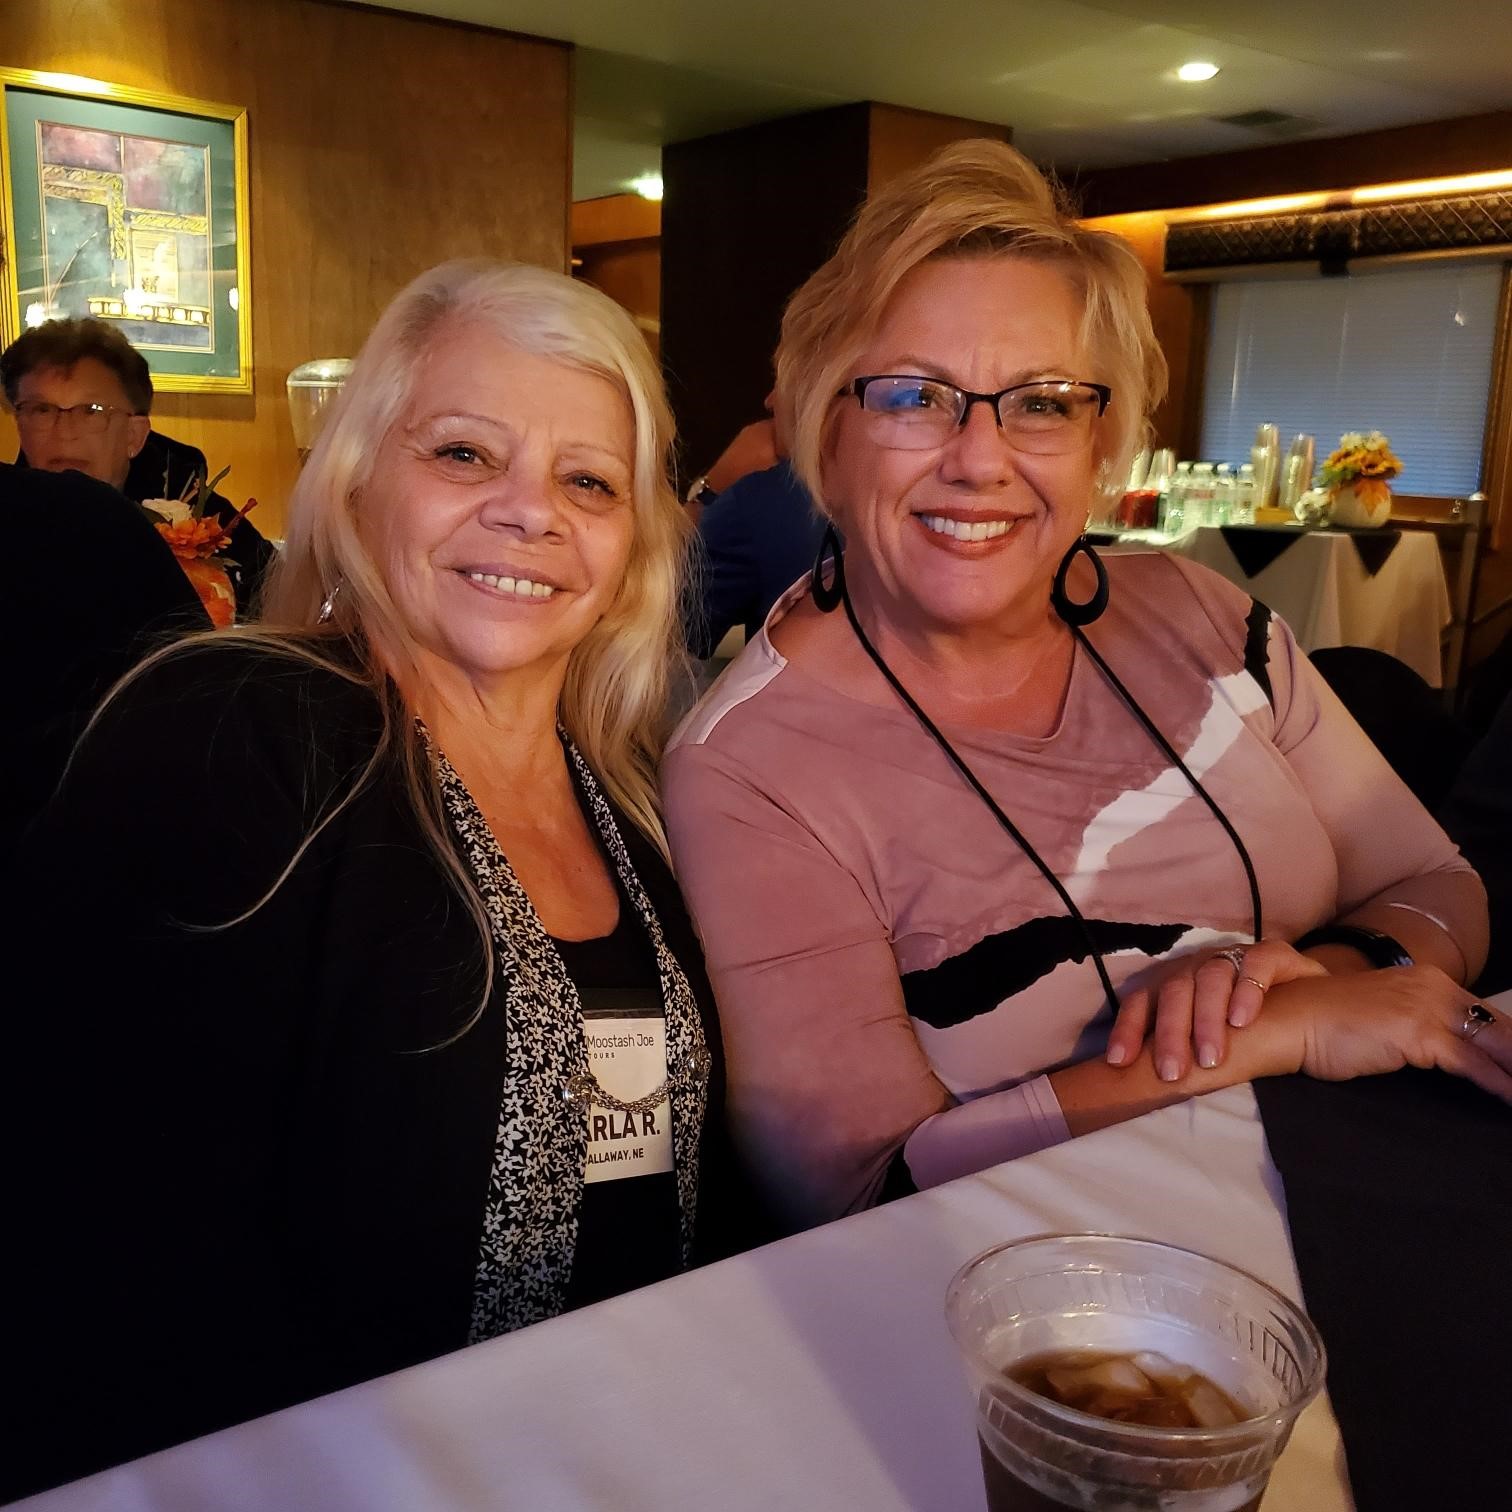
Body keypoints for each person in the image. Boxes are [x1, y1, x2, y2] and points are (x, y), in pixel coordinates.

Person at [661, 140, 1505, 1233]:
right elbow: (861, 1191)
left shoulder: (1208, 616)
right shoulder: (752, 767)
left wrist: (1317, 974)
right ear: (826, 434)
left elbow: (1437, 882)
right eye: (914, 396)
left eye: (1044, 402)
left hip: (1377, 1198)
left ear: (1101, 441)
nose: (980, 458)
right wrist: (1277, 1033)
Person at [5, 261, 732, 1497]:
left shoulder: (637, 802)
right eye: (464, 454)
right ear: (354, 482)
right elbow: (98, 1254)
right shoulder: (233, 738)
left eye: (589, 481)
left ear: (635, 545)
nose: (531, 511)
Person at [0, 461, 209, 855]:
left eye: (91, 421)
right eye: (40, 421)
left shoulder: (87, 524)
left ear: (135, 437)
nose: (65, 433)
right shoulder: (91, 518)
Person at [1, 316, 275, 614]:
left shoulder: (196, 517)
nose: (64, 431)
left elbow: (278, 605)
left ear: (135, 435)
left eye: (91, 411)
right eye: (41, 410)